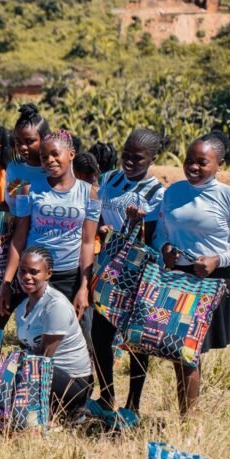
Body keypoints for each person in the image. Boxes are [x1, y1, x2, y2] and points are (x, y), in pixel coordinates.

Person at [151, 131, 230, 414]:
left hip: (211, 280)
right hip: (177, 279)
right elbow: (161, 230)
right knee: (182, 353)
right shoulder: (173, 191)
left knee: (188, 354)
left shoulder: (229, 197)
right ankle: (188, 417)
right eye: (189, 160)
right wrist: (163, 246)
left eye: (202, 162)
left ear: (219, 165)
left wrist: (218, 259)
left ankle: (188, 421)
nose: (193, 167)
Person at [89, 129, 165, 420]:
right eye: (126, 155)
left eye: (138, 158)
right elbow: (98, 217)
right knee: (100, 333)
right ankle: (106, 395)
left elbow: (156, 240)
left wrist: (139, 224)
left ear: (152, 159)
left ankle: (133, 405)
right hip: (109, 264)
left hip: (140, 270)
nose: (130, 162)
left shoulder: (158, 194)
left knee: (135, 339)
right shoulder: (110, 180)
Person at [0, 130, 100, 337]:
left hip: (69, 276)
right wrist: (6, 283)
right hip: (34, 276)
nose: (50, 161)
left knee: (79, 338)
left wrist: (83, 286)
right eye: (44, 157)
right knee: (37, 338)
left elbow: (87, 242)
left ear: (71, 154)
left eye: (55, 154)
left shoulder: (89, 193)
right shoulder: (28, 189)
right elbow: (20, 237)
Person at [14, 246, 94, 417]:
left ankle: (66, 411)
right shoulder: (21, 308)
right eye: (22, 271)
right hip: (42, 373)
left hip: (72, 383)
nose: (27, 277)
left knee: (19, 372)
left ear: (48, 274)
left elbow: (42, 360)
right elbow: (26, 350)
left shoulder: (55, 305)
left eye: (34, 272)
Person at [5, 104, 50, 216]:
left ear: (44, 139)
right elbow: (10, 204)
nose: (22, 147)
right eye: (18, 142)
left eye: (29, 141)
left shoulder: (55, 170)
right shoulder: (13, 167)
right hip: (14, 232)